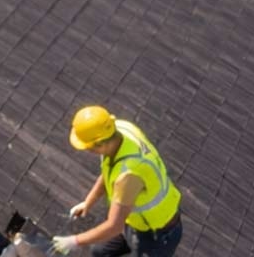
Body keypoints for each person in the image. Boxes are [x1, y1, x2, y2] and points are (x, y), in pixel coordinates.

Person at [49, 106, 184, 256]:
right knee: (99, 253)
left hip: (157, 236)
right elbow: (109, 171)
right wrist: (88, 202)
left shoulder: (128, 175)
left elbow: (114, 226)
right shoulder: (120, 129)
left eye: (89, 148)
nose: (88, 151)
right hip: (133, 224)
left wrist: (75, 241)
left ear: (100, 143)